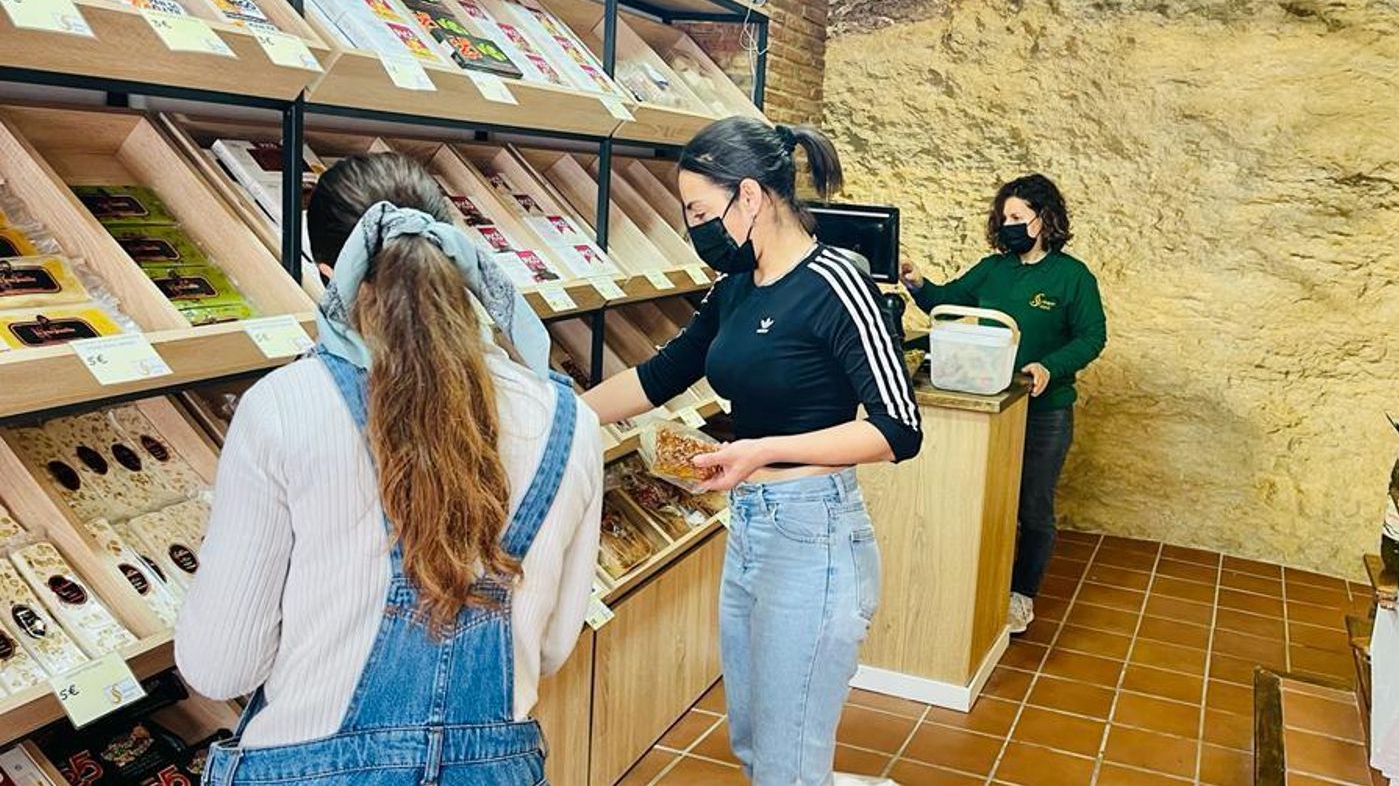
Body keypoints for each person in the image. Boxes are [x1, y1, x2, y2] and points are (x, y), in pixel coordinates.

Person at [176, 153, 603, 785]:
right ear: (454, 259)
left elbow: (221, 667)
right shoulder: (570, 421)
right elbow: (551, 646)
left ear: (330, 273)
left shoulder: (285, 408)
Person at [582, 117, 922, 786]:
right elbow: (661, 374)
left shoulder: (836, 282)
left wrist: (762, 450)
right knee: (755, 745)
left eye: (698, 211)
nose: (695, 228)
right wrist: (553, 411)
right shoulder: (737, 284)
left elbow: (898, 429)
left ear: (749, 196)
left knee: (786, 764)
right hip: (750, 528)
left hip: (814, 535)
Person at [901, 173, 1107, 635]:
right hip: (992, 404)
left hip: (1044, 410)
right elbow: (945, 301)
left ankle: (1021, 595)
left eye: (1018, 216)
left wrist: (1049, 366)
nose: (1009, 225)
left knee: (1032, 506)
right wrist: (916, 281)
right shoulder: (993, 269)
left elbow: (1092, 336)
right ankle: (979, 582)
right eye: (1004, 217)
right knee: (986, 499)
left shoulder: (1072, 277)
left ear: (1044, 219)